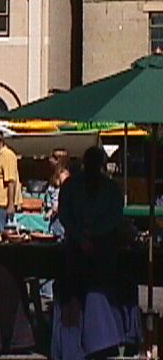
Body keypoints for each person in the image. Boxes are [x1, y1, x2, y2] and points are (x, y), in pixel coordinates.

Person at [52, 146, 136, 359]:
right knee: (75, 292)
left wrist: (91, 236)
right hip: (78, 248)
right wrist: (81, 237)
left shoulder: (110, 189)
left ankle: (104, 337)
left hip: (102, 249)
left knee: (102, 291)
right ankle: (76, 341)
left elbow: (115, 217)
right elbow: (65, 214)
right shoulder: (71, 187)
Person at [45, 148, 70, 238]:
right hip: (54, 217)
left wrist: (53, 210)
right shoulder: (54, 176)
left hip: (60, 217)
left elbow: (65, 196)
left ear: (58, 160)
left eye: (53, 158)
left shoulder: (63, 176)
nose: (49, 160)